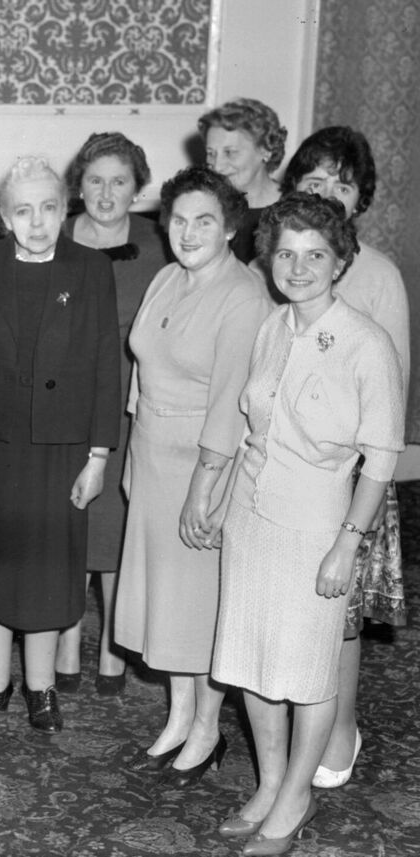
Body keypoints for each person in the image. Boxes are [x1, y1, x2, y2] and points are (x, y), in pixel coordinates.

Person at [211, 193, 403, 852]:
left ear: (340, 260)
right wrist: (223, 501)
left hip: (317, 526)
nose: (298, 268)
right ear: (268, 258)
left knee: (309, 669)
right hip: (251, 517)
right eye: (286, 253)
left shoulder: (365, 343)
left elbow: (381, 456)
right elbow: (251, 426)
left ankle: (296, 795)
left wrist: (347, 545)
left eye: (315, 254)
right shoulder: (272, 326)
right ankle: (268, 784)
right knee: (253, 659)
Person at [113, 167, 272, 782]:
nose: (187, 232)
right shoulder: (166, 277)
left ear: (230, 227)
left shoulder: (243, 297)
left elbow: (232, 405)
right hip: (154, 458)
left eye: (204, 221)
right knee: (168, 603)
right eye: (178, 220)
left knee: (200, 608)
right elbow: (142, 374)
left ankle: (207, 728)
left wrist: (202, 494)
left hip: (204, 469)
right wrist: (133, 461)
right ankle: (179, 716)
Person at [0, 156, 120, 734]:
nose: (37, 222)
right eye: (24, 211)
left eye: (49, 208)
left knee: (49, 571)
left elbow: (106, 366)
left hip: (62, 447)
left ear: (64, 211)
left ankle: (41, 686)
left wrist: (98, 457)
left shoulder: (91, 268)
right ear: (5, 217)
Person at [277, 126, 410, 790]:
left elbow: (392, 389)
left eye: (344, 183)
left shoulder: (378, 273)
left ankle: (340, 727)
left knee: (340, 615)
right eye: (315, 179)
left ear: (361, 199)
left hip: (349, 473)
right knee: (286, 605)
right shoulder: (279, 260)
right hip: (281, 467)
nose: (329, 192)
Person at [54, 132, 171, 696]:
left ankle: (113, 646)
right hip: (64, 398)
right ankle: (65, 639)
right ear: (79, 185)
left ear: (138, 188)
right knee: (68, 519)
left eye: (119, 181)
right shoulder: (53, 233)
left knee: (117, 524)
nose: (105, 194)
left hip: (132, 399)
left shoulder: (159, 243)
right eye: (95, 181)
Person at [197, 98, 287, 263]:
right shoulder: (203, 208)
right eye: (211, 153)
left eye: (230, 152)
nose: (217, 166)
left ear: (265, 150)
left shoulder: (297, 209)